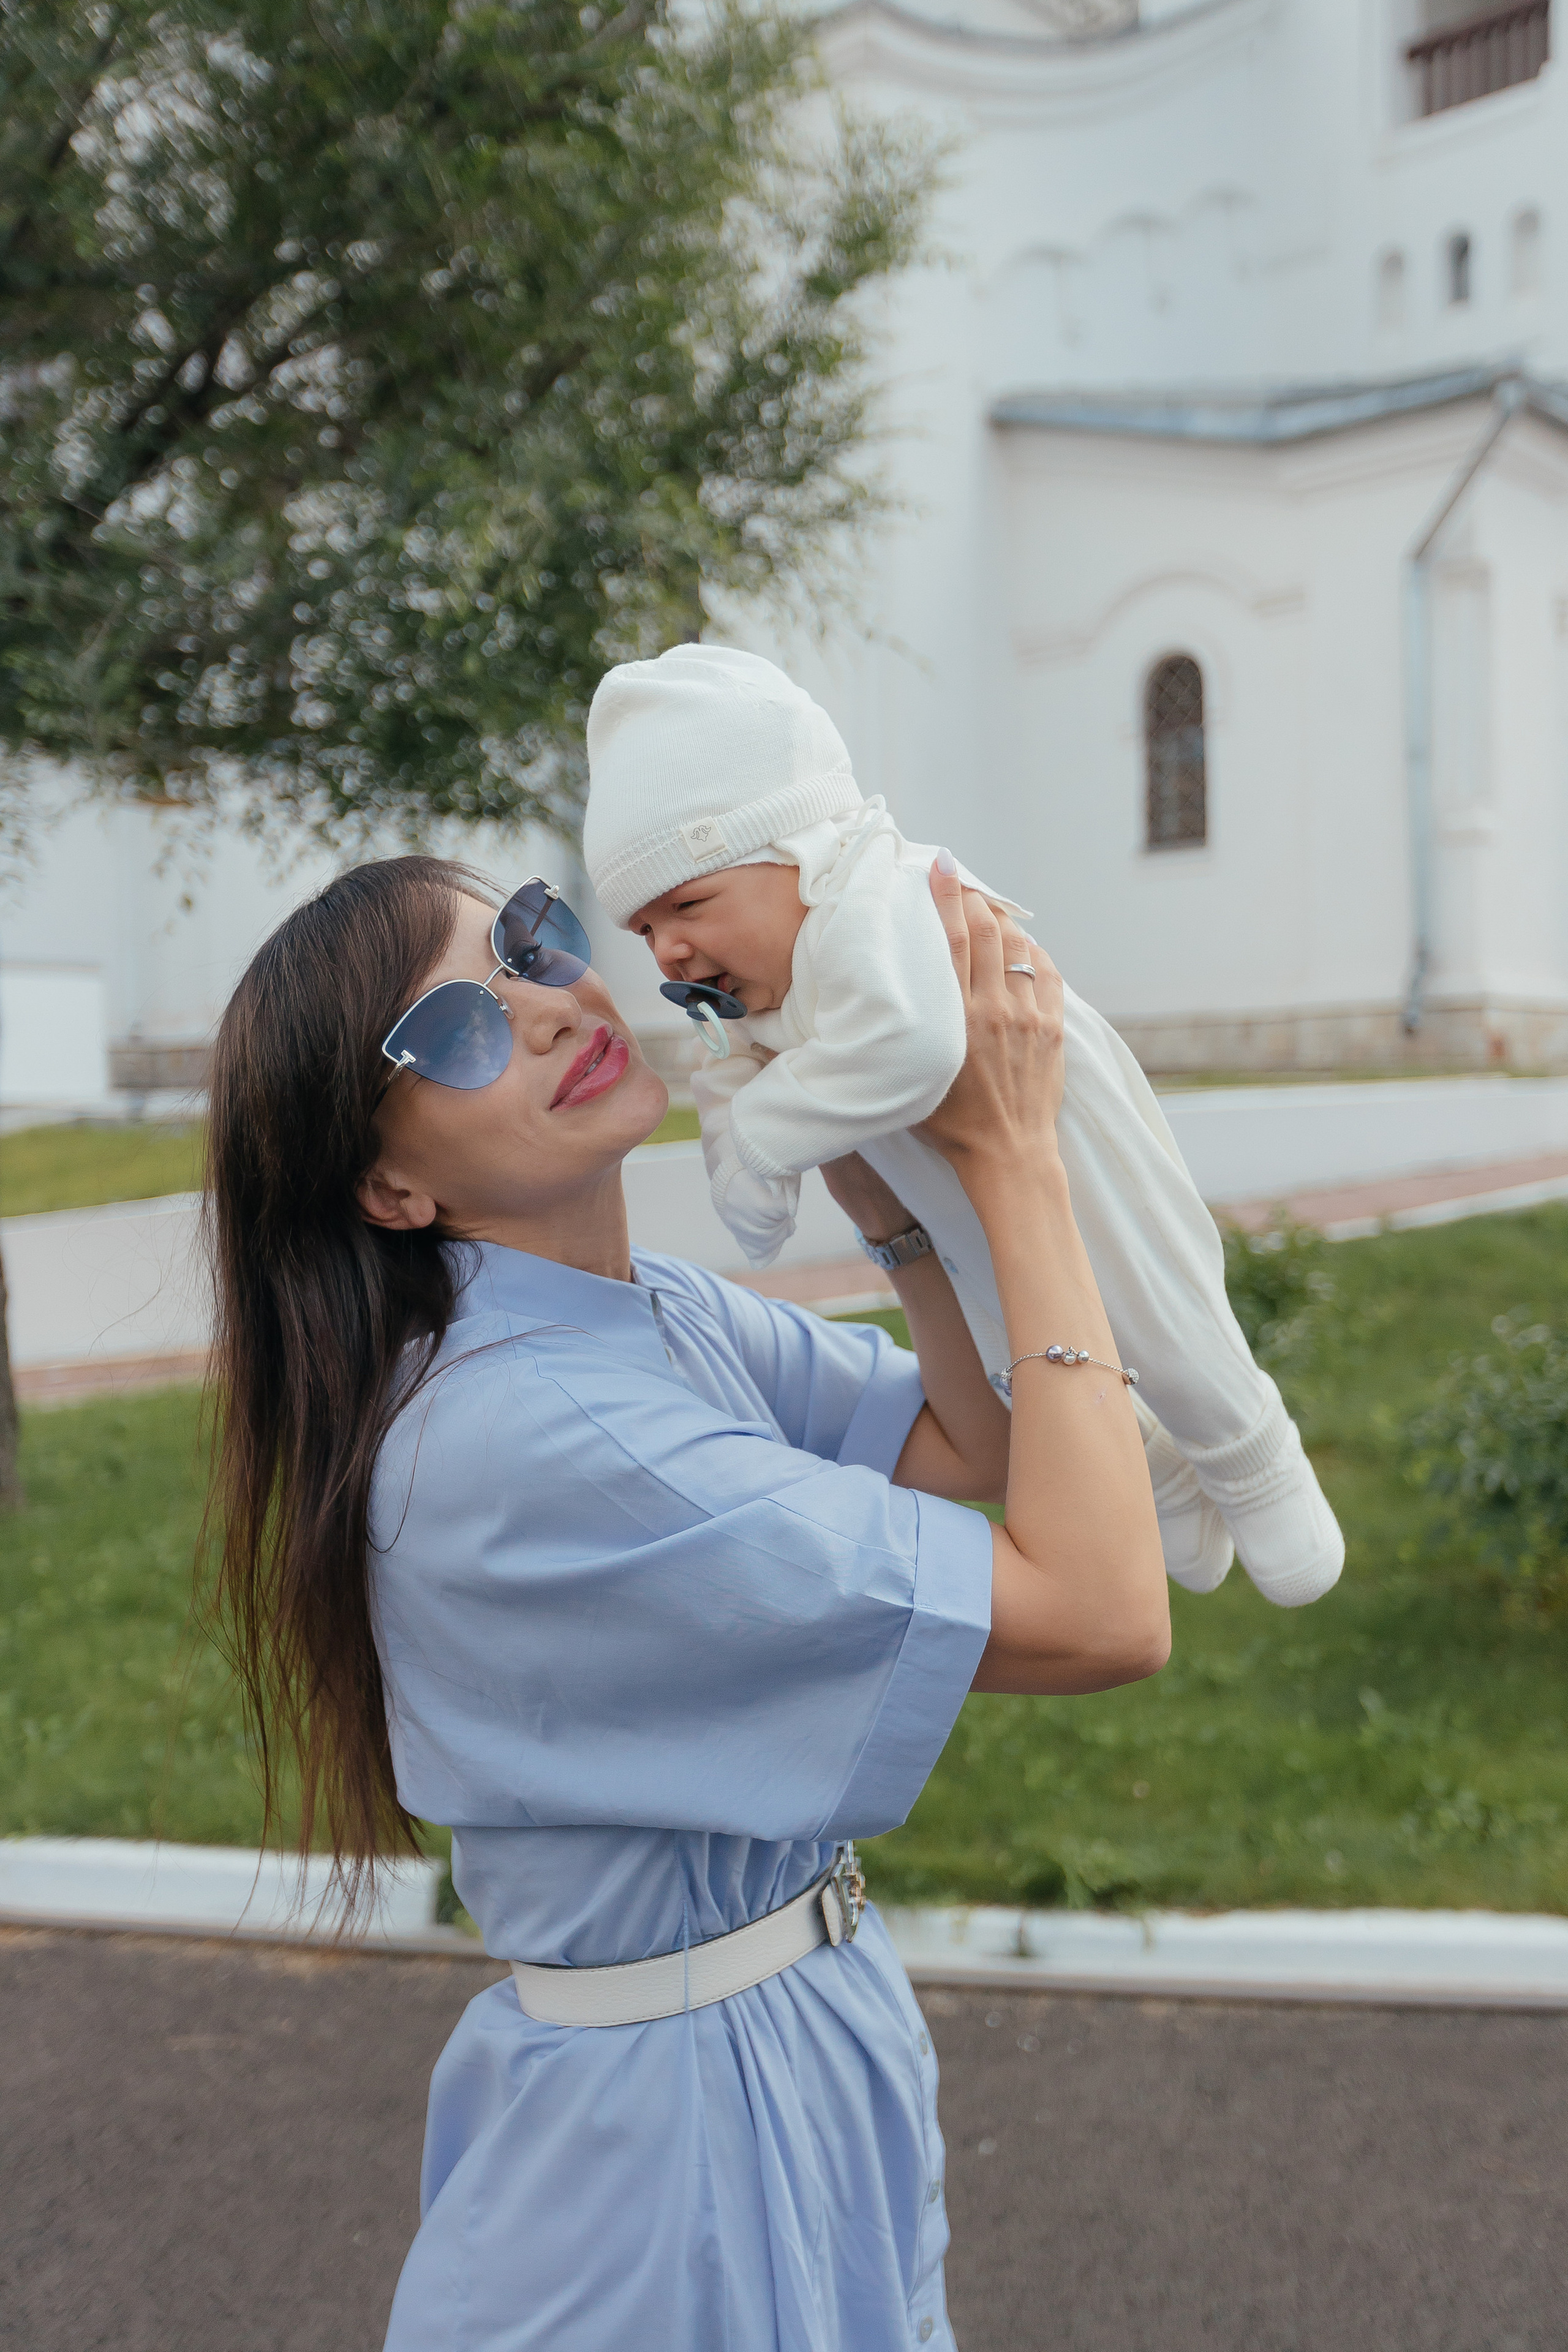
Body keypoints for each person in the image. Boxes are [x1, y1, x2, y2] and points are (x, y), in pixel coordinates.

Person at [203, 850, 1169, 2352]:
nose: (541, 1004)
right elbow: (1103, 1611)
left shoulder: (638, 1311)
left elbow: (966, 1439)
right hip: (663, 2160)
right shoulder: (538, 1438)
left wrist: (889, 1196)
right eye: (454, 1029)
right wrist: (1014, 1163)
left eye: (526, 940)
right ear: (390, 1186)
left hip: (797, 2042)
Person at [583, 643, 1345, 1610]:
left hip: (1066, 1141)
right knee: (1018, 1351)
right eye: (645, 929)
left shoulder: (876, 897)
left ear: (800, 853)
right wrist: (743, 1132)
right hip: (953, 1196)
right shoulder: (750, 999)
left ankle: (1251, 1456)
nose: (671, 947)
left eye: (688, 903)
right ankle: (1157, 1475)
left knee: (1156, 1303)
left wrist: (764, 1128)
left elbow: (911, 1046)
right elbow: (754, 1212)